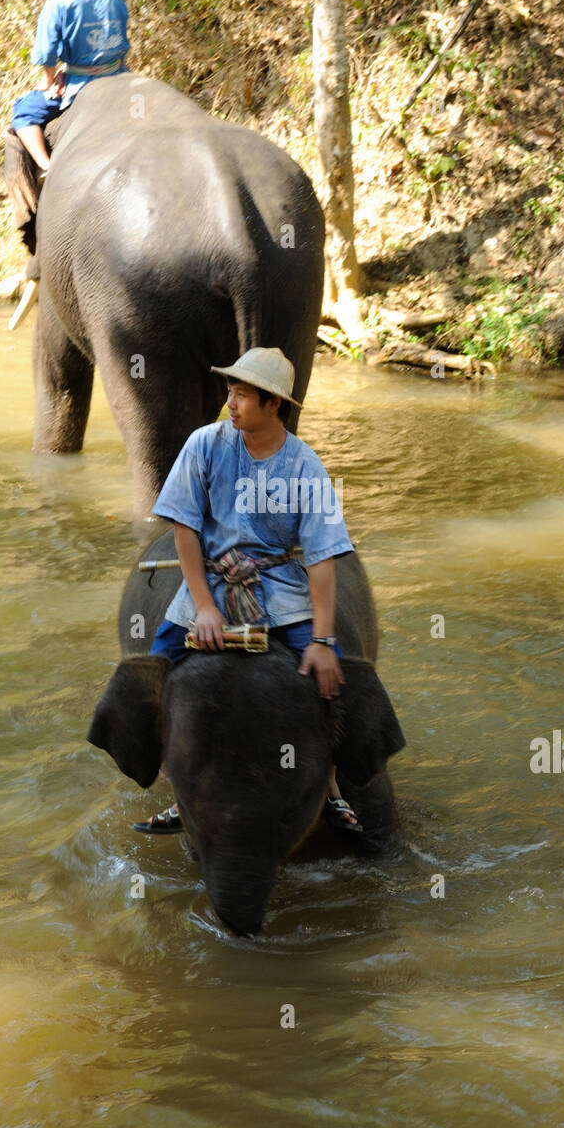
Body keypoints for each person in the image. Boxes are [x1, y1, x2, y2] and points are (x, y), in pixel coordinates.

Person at [136, 346, 363, 836]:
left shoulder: (305, 467)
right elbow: (185, 530)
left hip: (279, 584)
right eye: (230, 391)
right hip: (213, 581)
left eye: (242, 395)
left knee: (331, 681)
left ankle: (331, 787)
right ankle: (181, 790)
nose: (231, 402)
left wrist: (322, 641)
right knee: (156, 670)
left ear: (273, 405)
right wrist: (202, 608)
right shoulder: (206, 444)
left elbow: (322, 558)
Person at [11, 0, 130, 174]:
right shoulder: (115, 1)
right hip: (120, 78)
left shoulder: (58, 3)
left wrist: (47, 81)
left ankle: (47, 168)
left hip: (82, 84)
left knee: (23, 113)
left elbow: (46, 53)